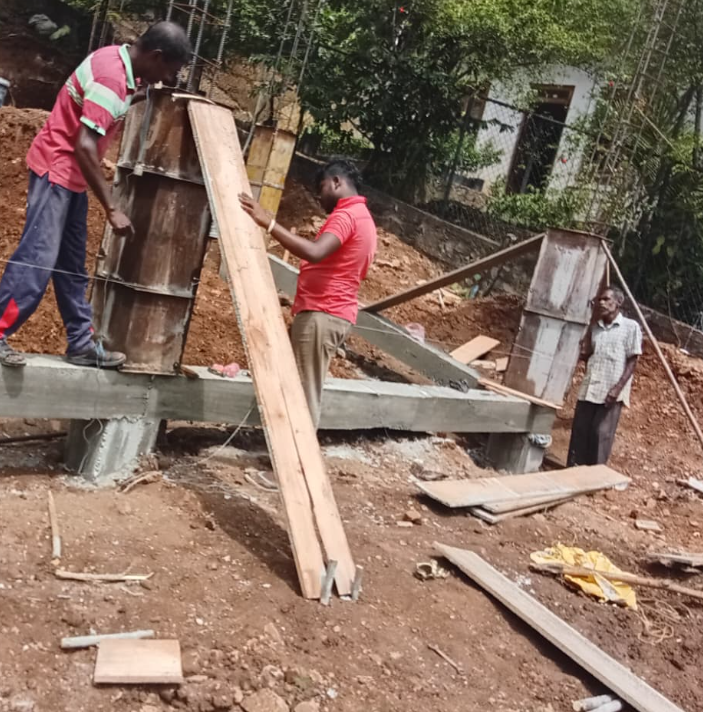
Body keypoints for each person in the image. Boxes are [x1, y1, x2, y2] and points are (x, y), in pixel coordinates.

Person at [0, 21, 191, 369]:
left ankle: (80, 344)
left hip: (72, 178)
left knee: (72, 266)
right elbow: (85, 146)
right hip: (57, 170)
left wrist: (144, 94)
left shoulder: (117, 62)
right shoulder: (111, 79)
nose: (167, 78)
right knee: (38, 258)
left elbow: (111, 104)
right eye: (169, 70)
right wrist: (112, 207)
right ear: (156, 56)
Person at [239, 159, 377, 426]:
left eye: (322, 188)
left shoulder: (346, 215)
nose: (319, 197)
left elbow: (315, 252)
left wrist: (269, 224)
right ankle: (287, 444)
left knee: (302, 397)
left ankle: (300, 451)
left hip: (322, 313)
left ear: (336, 182)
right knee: (298, 389)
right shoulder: (364, 218)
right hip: (329, 313)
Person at [567, 286, 642, 466]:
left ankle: (595, 475)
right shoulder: (595, 328)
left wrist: (617, 389)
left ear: (618, 302)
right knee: (580, 431)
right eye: (599, 300)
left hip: (611, 391)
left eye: (606, 299)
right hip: (590, 388)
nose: (601, 303)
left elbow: (632, 361)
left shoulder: (630, 327)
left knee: (600, 434)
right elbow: (589, 356)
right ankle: (574, 471)